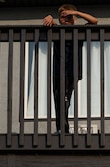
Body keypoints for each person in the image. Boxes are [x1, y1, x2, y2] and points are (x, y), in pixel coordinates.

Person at [42, 4, 98, 133]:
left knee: (65, 99)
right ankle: (62, 129)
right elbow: (47, 23)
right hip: (57, 71)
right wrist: (49, 17)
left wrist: (77, 12)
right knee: (58, 99)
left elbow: (94, 21)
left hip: (72, 71)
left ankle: (63, 129)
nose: (65, 19)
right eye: (63, 17)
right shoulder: (55, 29)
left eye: (69, 16)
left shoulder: (79, 31)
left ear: (75, 18)